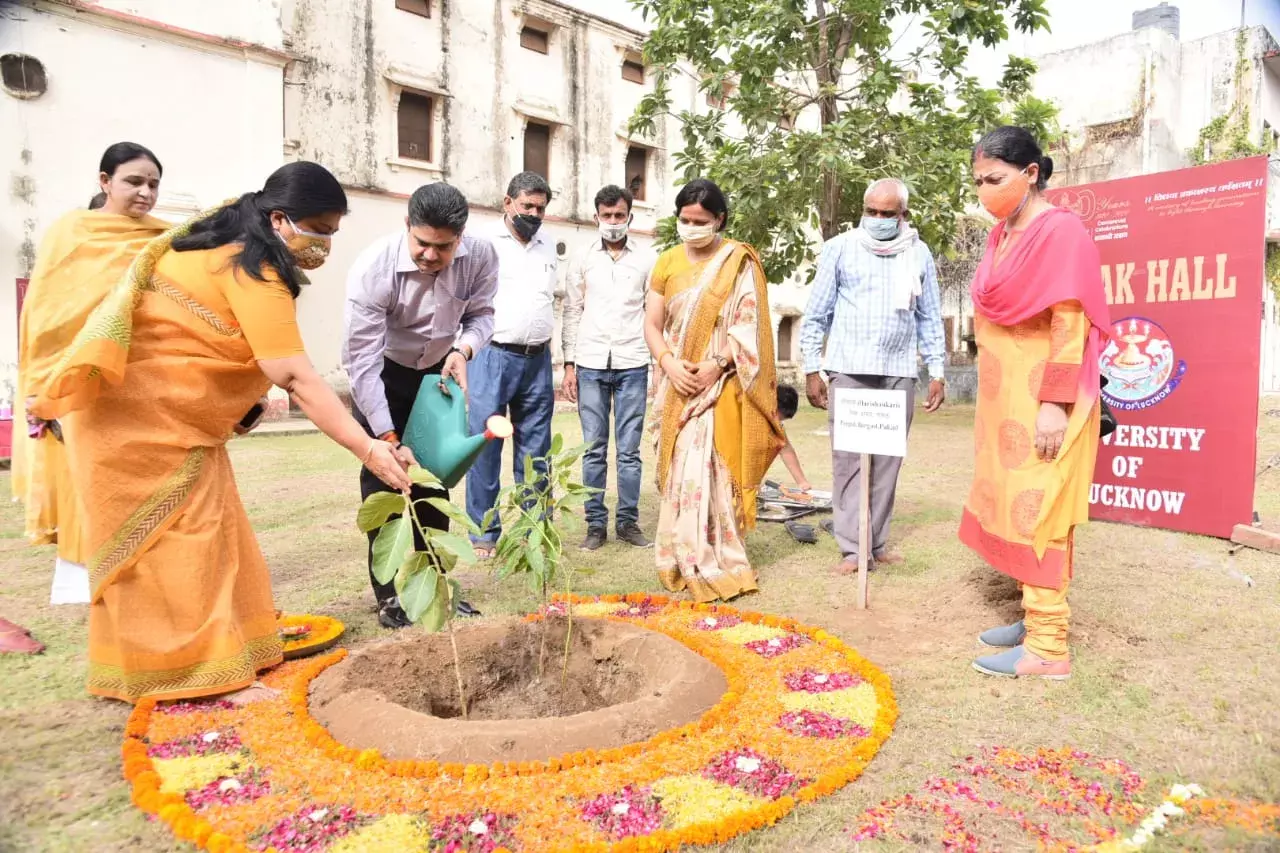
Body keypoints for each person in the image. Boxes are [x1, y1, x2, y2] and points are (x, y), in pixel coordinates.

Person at [30, 162, 413, 704]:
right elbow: (297, 378)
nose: (325, 244)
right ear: (280, 219)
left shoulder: (231, 243)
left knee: (219, 534)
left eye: (333, 231)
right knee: (184, 545)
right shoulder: (250, 266)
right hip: (138, 420)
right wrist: (369, 448)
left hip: (171, 420)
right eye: (320, 229)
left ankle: (227, 655)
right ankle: (197, 678)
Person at [963, 127, 1110, 681]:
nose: (984, 191)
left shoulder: (1061, 232)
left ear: (1030, 173)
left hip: (1045, 399)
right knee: (1016, 503)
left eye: (994, 179)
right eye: (978, 181)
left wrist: (1054, 403)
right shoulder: (1002, 234)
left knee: (1042, 510)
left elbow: (1070, 322)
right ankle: (1032, 617)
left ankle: (1048, 647)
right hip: (1006, 402)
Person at [12, 142, 168, 609]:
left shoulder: (163, 238)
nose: (145, 193)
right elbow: (47, 317)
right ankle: (84, 583)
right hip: (80, 379)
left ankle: (146, 576)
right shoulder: (72, 234)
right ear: (105, 181)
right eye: (133, 181)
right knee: (89, 479)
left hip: (142, 379)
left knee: (144, 481)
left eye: (154, 184)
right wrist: (46, 389)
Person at [344, 182, 497, 627]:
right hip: (384, 376)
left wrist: (462, 350)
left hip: (437, 375)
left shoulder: (483, 257)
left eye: (443, 247)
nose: (431, 255)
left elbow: (483, 315)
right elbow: (361, 364)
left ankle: (435, 585)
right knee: (386, 478)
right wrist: (387, 438)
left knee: (435, 481)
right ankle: (389, 596)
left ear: (461, 238)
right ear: (406, 225)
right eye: (422, 244)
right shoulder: (374, 269)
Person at [644, 178, 784, 602]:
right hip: (676, 380)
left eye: (700, 220)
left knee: (715, 464)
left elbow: (749, 325)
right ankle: (679, 554)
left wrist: (715, 365)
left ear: (719, 219)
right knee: (682, 463)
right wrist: (670, 364)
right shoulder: (666, 261)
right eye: (685, 220)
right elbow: (653, 325)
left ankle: (718, 554)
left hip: (722, 381)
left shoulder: (737, 261)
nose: (691, 227)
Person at [799, 177, 946, 576]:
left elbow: (930, 315)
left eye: (887, 214)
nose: (878, 220)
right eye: (872, 212)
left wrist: (937, 370)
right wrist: (812, 367)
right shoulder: (840, 248)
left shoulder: (918, 254)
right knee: (848, 462)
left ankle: (875, 542)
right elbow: (816, 314)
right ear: (862, 211)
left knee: (887, 463)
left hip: (899, 370)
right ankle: (852, 548)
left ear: (903, 216)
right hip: (850, 368)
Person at [465, 172, 558, 554]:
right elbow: (464, 299)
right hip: (492, 355)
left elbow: (553, 299)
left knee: (536, 450)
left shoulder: (548, 245)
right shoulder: (481, 242)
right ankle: (483, 534)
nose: (533, 214)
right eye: (527, 206)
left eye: (540, 208)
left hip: (538, 358)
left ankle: (534, 531)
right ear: (508, 203)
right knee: (486, 447)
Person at [561, 185, 657, 551]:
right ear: (596, 217)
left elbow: (653, 315)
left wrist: (657, 362)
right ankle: (595, 525)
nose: (613, 222)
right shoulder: (583, 259)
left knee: (629, 451)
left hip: (633, 362)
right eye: (607, 216)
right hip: (590, 362)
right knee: (594, 449)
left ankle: (628, 523)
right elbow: (572, 311)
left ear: (630, 216)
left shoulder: (647, 261)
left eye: (619, 215)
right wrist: (569, 364)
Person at [775, 385, 811, 491]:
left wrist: (802, 482)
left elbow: (785, 448)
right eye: (777, 418)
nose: (777, 423)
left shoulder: (775, 424)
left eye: (780, 421)